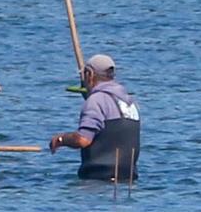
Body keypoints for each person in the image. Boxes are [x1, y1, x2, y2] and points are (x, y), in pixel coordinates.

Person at [47, 52, 141, 181]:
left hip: (99, 178)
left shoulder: (96, 101)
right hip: (128, 177)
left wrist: (61, 139)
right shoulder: (130, 101)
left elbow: (83, 139)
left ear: (89, 75)